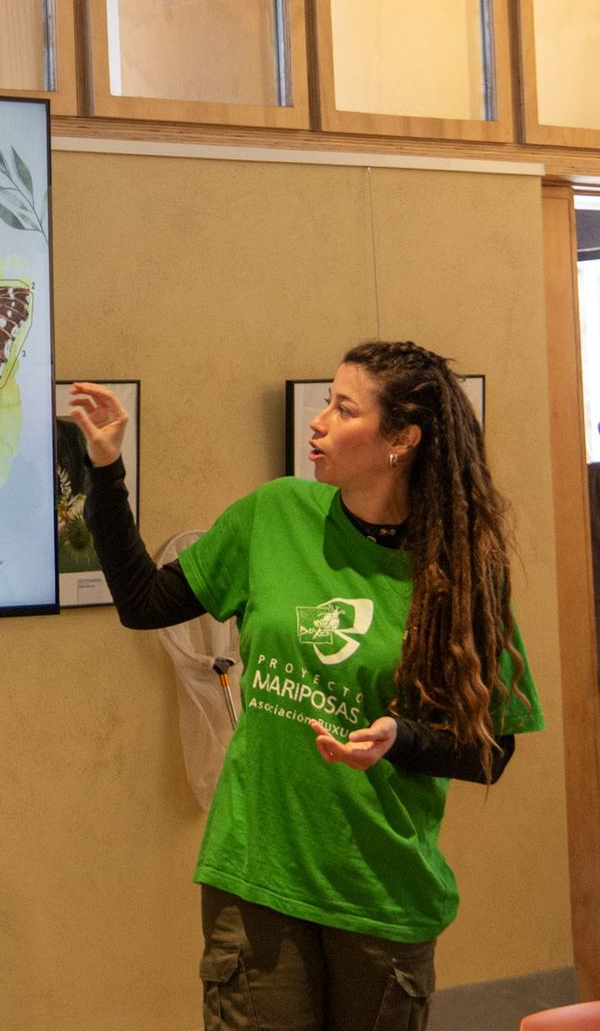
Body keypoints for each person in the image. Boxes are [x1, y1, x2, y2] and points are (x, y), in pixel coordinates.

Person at [69, 340, 543, 1031]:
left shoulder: (462, 570)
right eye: (324, 400)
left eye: (343, 408)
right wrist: (107, 470)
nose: (318, 421)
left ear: (401, 440)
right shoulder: (275, 514)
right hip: (257, 875)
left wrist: (399, 738)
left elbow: (490, 749)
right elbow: (143, 601)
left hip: (380, 893)